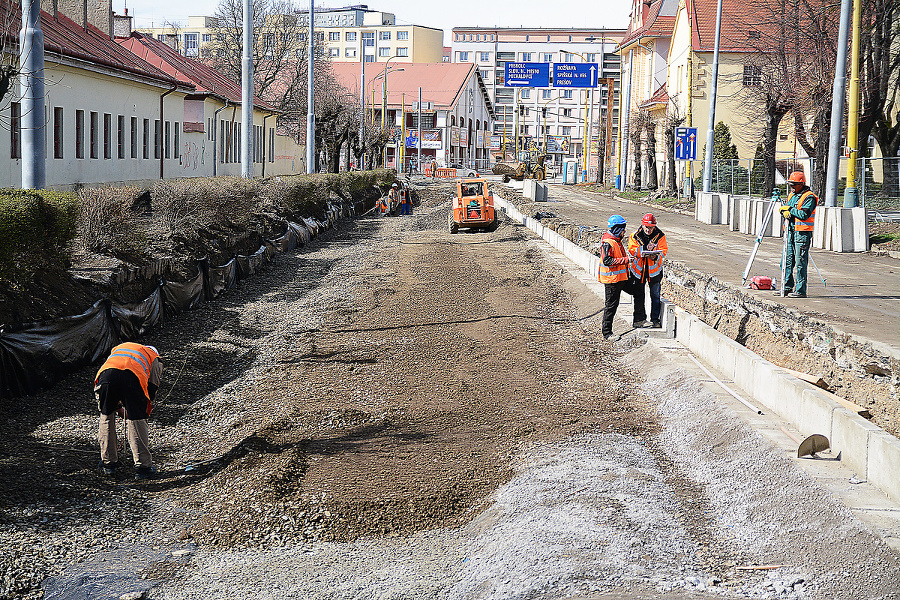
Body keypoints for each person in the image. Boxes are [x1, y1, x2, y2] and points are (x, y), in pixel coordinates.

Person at [95, 342, 162, 480]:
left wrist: (118, 407)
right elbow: (153, 385)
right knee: (137, 420)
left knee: (106, 416)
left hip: (105, 377)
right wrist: (144, 408)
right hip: (132, 378)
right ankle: (143, 466)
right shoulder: (154, 356)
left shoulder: (121, 347)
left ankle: (108, 463)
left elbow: (115, 373)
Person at [599, 215, 646, 341]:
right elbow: (607, 261)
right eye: (623, 230)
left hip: (622, 278)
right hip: (613, 280)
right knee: (611, 306)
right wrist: (625, 260)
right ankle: (607, 333)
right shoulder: (608, 242)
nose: (624, 232)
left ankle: (639, 320)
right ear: (617, 229)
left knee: (638, 291)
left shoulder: (616, 240)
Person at [778, 171, 818, 298]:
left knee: (800, 262)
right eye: (791, 184)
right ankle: (787, 287)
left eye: (794, 185)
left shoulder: (809, 197)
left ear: (801, 184)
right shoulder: (792, 195)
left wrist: (790, 210)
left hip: (802, 234)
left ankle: (801, 290)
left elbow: (804, 214)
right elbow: (788, 209)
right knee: (786, 261)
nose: (792, 187)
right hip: (790, 232)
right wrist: (784, 210)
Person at [628, 213, 668, 328]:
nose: (648, 230)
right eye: (647, 227)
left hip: (654, 272)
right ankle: (639, 320)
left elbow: (663, 250)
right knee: (639, 295)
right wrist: (644, 251)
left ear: (654, 226)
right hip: (639, 271)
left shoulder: (660, 236)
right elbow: (632, 249)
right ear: (642, 225)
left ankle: (655, 320)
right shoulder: (635, 235)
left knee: (655, 295)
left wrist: (654, 256)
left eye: (651, 228)